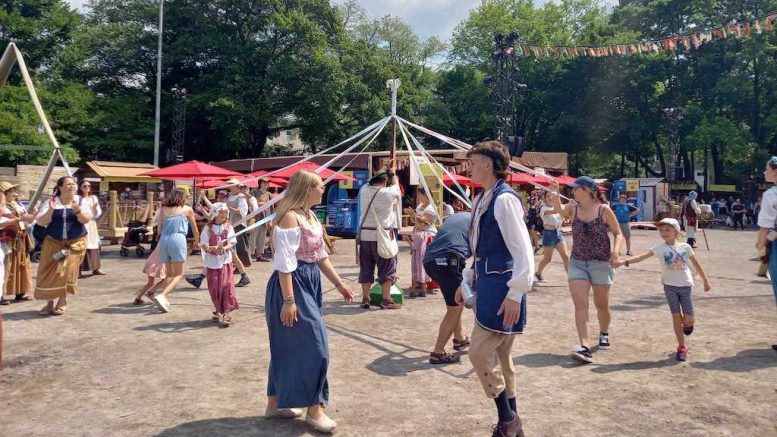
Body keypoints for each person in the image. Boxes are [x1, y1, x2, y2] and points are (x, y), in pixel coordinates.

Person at [264, 170, 353, 434]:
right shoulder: (290, 217)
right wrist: (289, 300)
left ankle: (275, 403)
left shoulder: (310, 215)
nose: (323, 190)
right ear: (306, 189)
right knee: (317, 347)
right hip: (291, 284)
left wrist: (339, 283)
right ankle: (315, 409)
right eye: (319, 186)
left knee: (291, 344)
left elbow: (320, 255)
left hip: (309, 280)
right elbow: (284, 263)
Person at [456, 140, 533, 437]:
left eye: (473, 162)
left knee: (478, 353)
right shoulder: (482, 199)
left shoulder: (504, 200)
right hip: (489, 283)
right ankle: (512, 424)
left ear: (487, 164)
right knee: (502, 357)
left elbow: (523, 249)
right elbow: (478, 249)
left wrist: (516, 293)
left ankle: (507, 418)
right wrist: (467, 278)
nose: (470, 167)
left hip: (503, 288)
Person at [549, 176, 623, 364]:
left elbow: (618, 233)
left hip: (600, 263)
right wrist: (555, 192)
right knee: (580, 305)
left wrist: (615, 253)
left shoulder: (603, 210)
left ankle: (604, 332)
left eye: (576, 189)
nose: (572, 192)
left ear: (588, 191)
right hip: (578, 262)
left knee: (602, 305)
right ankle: (585, 346)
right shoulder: (573, 208)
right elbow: (559, 210)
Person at [615, 218, 711, 361]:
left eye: (667, 229)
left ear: (676, 231)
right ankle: (681, 347)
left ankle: (687, 324)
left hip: (685, 286)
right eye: (661, 230)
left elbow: (695, 264)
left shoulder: (685, 247)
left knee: (689, 320)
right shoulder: (658, 248)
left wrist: (705, 280)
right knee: (676, 317)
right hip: (669, 287)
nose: (664, 233)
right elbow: (642, 257)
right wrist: (624, 262)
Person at [34, 176, 91, 316]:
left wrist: (77, 211)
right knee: (51, 272)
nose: (72, 186)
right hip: (54, 243)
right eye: (68, 184)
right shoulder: (51, 202)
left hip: (75, 243)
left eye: (74, 184)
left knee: (67, 272)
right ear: (60, 187)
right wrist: (51, 210)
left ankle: (62, 300)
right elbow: (41, 222)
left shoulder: (81, 201)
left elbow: (86, 220)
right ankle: (49, 302)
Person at [423, 212, 471, 364]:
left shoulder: (459, 217)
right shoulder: (480, 221)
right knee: (455, 307)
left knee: (455, 303)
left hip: (430, 259)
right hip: (449, 259)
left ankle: (460, 338)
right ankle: (438, 352)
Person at [356, 161, 402, 310]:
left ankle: (365, 298)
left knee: (366, 268)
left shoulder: (364, 190)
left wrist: (383, 167)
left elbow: (370, 183)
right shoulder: (388, 192)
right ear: (385, 181)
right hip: (382, 237)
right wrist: (393, 172)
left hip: (364, 236)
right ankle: (386, 299)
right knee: (387, 268)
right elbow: (396, 186)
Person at [150, 188, 199, 312]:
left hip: (164, 239)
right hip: (178, 238)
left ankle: (153, 291)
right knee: (179, 274)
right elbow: (195, 229)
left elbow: (159, 230)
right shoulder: (187, 209)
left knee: (169, 274)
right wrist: (197, 241)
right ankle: (162, 295)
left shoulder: (164, 210)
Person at [200, 202, 239, 327]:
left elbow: (232, 242)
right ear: (215, 213)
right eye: (222, 212)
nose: (224, 215)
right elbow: (204, 245)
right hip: (212, 263)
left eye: (225, 212)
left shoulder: (228, 227)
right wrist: (212, 248)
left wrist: (224, 248)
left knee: (227, 286)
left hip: (225, 262)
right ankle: (218, 309)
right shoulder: (208, 228)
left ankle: (226, 312)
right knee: (215, 289)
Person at [0, 182, 36, 303]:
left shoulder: (17, 204)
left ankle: (20, 292)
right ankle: (3, 294)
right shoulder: (2, 206)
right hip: (8, 240)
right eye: (10, 192)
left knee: (22, 265)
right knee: (7, 266)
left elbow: (25, 219)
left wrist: (33, 216)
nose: (13, 194)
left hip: (21, 238)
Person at [756, 156, 777, 352]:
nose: (764, 172)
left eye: (766, 169)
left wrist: (761, 247)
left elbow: (765, 226)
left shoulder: (771, 194)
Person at [405, 188, 439, 298]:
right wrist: (412, 214)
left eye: (420, 195)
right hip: (419, 235)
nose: (419, 197)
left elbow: (422, 222)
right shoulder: (420, 206)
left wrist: (413, 214)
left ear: (426, 195)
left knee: (423, 260)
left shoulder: (430, 209)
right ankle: (418, 283)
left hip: (428, 236)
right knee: (416, 260)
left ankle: (425, 285)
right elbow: (416, 222)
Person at [534, 190, 569, 281]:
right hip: (548, 234)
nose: (550, 197)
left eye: (551, 195)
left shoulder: (557, 206)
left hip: (558, 233)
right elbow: (557, 210)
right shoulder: (543, 208)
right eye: (548, 195)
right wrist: (564, 203)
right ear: (544, 198)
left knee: (565, 256)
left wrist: (572, 204)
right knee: (547, 259)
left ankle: (571, 278)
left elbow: (564, 209)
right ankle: (538, 273)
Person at [77, 180, 105, 276]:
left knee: (94, 245)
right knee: (82, 245)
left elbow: (98, 213)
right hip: (81, 224)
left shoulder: (93, 198)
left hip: (91, 224)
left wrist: (94, 209)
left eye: (88, 186)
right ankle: (78, 270)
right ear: (80, 187)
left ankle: (96, 268)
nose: (87, 187)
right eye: (84, 186)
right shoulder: (78, 198)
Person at [227, 179, 252, 268]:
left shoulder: (241, 197)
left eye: (232, 186)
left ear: (237, 188)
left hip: (239, 223)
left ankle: (245, 262)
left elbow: (242, 212)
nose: (231, 188)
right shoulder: (230, 197)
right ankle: (235, 261)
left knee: (240, 244)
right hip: (231, 223)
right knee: (233, 243)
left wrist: (229, 208)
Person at [253, 179, 272, 262]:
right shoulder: (254, 192)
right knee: (253, 237)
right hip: (255, 218)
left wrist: (270, 220)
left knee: (262, 238)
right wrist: (258, 203)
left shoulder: (269, 194)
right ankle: (250, 255)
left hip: (265, 218)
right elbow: (250, 202)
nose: (265, 184)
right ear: (260, 183)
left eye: (267, 183)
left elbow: (272, 208)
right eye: (264, 182)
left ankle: (259, 255)